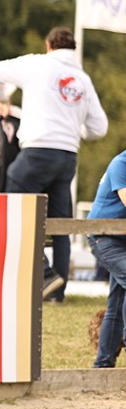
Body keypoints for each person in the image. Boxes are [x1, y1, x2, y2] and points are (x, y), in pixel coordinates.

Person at [0, 27, 108, 301]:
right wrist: (73, 130)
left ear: (48, 45)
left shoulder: (37, 64)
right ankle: (57, 293)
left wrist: (2, 97)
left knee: (13, 205)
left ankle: (45, 273)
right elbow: (99, 127)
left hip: (38, 151)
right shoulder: (83, 80)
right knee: (61, 224)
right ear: (73, 49)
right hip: (67, 157)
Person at [88, 150, 126, 368]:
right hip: (104, 237)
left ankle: (102, 365)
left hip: (123, 239)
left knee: (116, 303)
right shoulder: (121, 164)